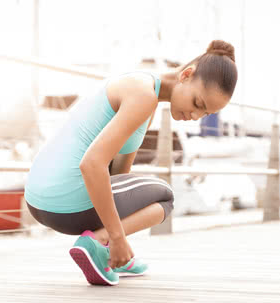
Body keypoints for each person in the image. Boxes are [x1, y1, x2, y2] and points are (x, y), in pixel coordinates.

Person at [25, 40, 238, 286]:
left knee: (143, 191)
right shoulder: (143, 96)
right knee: (165, 195)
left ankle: (111, 253)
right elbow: (92, 164)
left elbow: (120, 173)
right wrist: (117, 236)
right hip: (63, 202)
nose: (195, 116)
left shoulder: (145, 89)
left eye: (206, 114)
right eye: (198, 104)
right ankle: (98, 243)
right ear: (186, 75)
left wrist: (120, 239)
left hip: (38, 200)